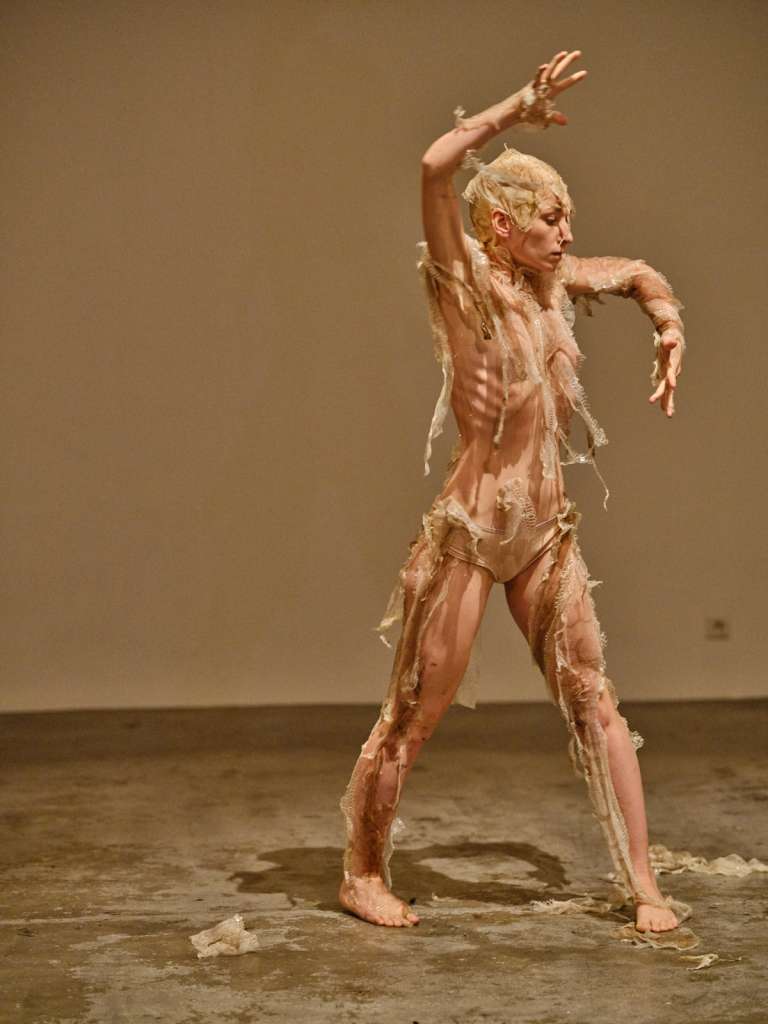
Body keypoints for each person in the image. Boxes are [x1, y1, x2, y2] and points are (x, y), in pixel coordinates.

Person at [338, 50, 688, 934]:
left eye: (568, 220)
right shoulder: (465, 286)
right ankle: (362, 872)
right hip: (471, 528)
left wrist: (668, 326)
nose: (566, 235)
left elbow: (636, 272)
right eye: (552, 218)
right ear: (501, 225)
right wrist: (512, 110)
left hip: (542, 530)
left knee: (595, 699)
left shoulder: (549, 287)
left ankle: (644, 883)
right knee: (415, 712)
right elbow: (434, 167)